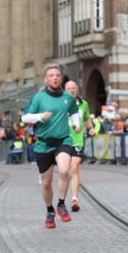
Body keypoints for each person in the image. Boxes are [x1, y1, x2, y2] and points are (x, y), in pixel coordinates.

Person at [22, 63, 80, 227]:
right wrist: (40, 116)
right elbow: (25, 118)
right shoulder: (38, 98)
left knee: (64, 171)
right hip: (43, 144)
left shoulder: (68, 98)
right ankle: (50, 210)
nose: (55, 78)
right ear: (46, 79)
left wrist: (76, 124)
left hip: (63, 141)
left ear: (60, 78)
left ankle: (61, 204)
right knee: (46, 183)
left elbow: (74, 111)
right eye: (52, 75)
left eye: (57, 75)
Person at [64, 80, 94, 212]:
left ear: (77, 90)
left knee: (74, 168)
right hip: (63, 140)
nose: (72, 90)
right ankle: (61, 198)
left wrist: (91, 128)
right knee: (64, 171)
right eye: (69, 88)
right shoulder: (60, 103)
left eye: (74, 88)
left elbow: (86, 118)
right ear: (65, 91)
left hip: (77, 140)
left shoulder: (84, 104)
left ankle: (75, 198)